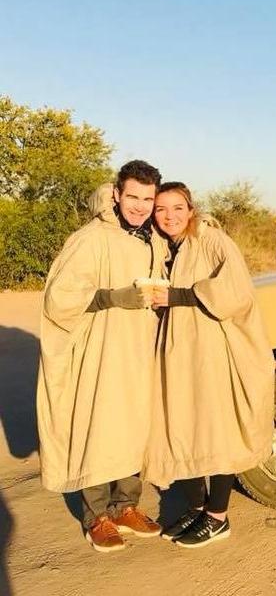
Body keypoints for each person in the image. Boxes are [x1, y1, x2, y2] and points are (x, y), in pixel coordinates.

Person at [37, 160, 166, 552]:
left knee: (135, 425)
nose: (140, 206)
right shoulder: (91, 238)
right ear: (116, 194)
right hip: (101, 351)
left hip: (140, 349)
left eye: (148, 198)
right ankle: (97, 516)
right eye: (133, 197)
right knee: (100, 426)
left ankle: (126, 506)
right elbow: (59, 298)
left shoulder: (152, 239)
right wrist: (110, 297)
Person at [143, 182, 274, 548]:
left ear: (191, 208)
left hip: (210, 350)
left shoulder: (213, 239)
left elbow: (235, 291)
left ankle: (218, 516)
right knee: (184, 423)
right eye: (161, 209)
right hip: (177, 350)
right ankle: (198, 507)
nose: (169, 216)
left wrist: (178, 296)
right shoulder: (164, 245)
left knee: (216, 427)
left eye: (177, 208)